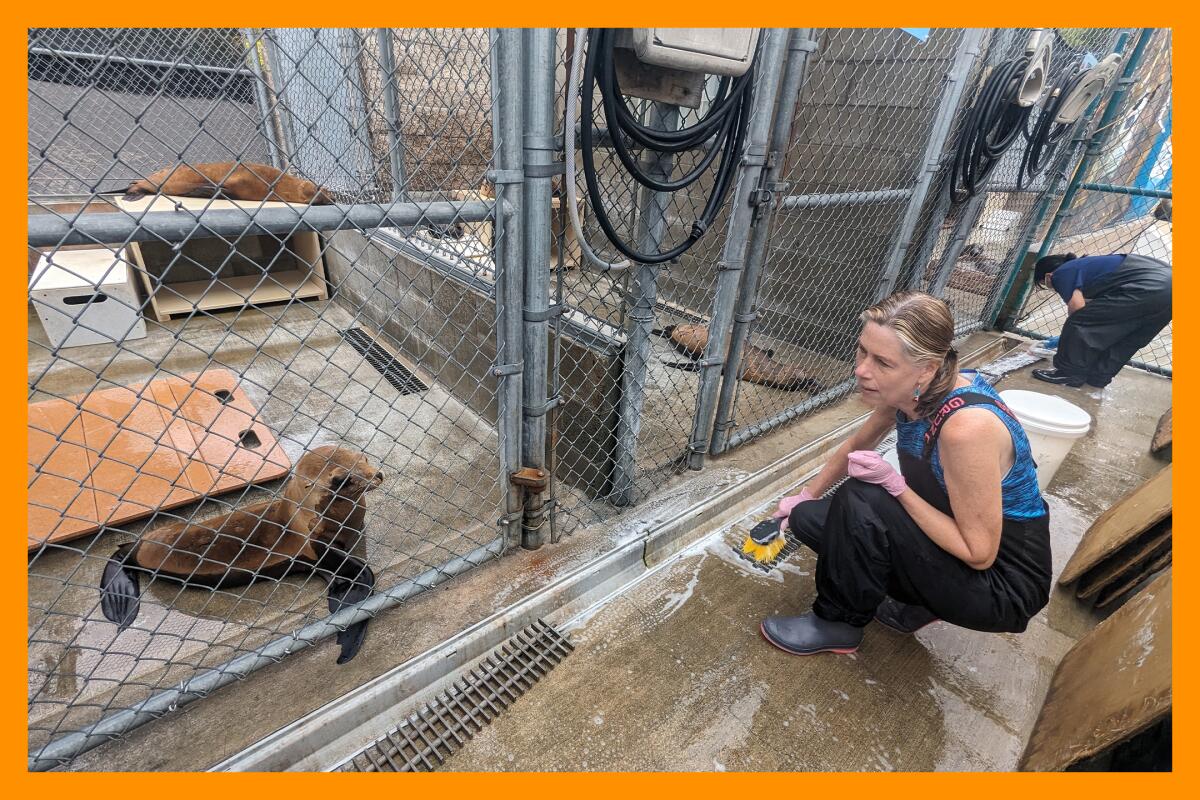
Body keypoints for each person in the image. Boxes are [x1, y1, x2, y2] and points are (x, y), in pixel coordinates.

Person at [759, 291, 1051, 656]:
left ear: (927, 368)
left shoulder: (966, 428)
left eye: (883, 362)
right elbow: (856, 446)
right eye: (862, 351)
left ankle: (837, 623)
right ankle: (919, 601)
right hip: (957, 540)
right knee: (810, 518)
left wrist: (895, 486)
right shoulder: (908, 392)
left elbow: (979, 553)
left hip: (1002, 584)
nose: (862, 369)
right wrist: (805, 495)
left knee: (862, 497)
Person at [1029, 251, 1172, 388]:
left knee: (1080, 320)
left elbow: (1078, 309)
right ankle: (1098, 377)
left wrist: (1068, 336)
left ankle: (1069, 373)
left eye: (1045, 284)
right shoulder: (1089, 266)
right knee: (1129, 338)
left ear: (1048, 276)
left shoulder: (1062, 273)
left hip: (1149, 285)